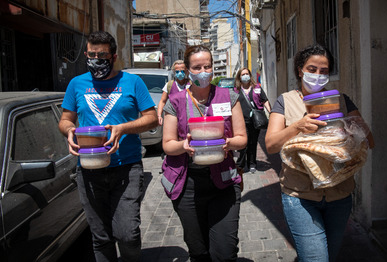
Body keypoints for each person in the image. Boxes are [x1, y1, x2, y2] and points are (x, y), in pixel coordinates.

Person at [265, 44, 375, 262]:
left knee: (329, 256)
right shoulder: (285, 101)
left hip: (340, 195)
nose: (317, 75)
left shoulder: (342, 101)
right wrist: (297, 126)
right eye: (312, 69)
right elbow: (270, 144)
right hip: (300, 196)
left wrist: (351, 127)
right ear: (300, 70)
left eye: (324, 71)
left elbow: (369, 141)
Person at [58, 31, 158, 262]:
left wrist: (123, 128)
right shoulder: (76, 84)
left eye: (102, 55)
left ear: (113, 57)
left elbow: (151, 118)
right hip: (89, 168)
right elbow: (65, 119)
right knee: (100, 236)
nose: (96, 59)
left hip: (127, 167)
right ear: (86, 54)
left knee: (127, 233)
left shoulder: (132, 82)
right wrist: (69, 130)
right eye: (91, 54)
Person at [161, 45, 247, 261]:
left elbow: (242, 139)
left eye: (207, 66)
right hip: (188, 185)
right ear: (188, 70)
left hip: (224, 182)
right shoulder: (176, 101)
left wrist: (227, 143)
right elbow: (167, 144)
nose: (203, 71)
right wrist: (183, 146)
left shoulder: (229, 97)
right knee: (199, 251)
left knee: (225, 252)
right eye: (197, 67)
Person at [234, 68, 271, 173]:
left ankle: (252, 164)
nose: (245, 76)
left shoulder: (257, 88)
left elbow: (265, 100)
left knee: (253, 143)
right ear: (239, 77)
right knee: (243, 143)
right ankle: (240, 164)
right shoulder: (236, 90)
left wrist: (271, 113)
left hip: (256, 121)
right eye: (243, 74)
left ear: (250, 75)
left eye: (247, 74)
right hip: (242, 121)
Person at [157, 60, 190, 125]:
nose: (180, 73)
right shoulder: (169, 85)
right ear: (174, 72)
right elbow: (162, 101)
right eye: (177, 71)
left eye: (182, 71)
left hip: (188, 118)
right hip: (173, 118)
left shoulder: (191, 85)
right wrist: (159, 115)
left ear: (186, 71)